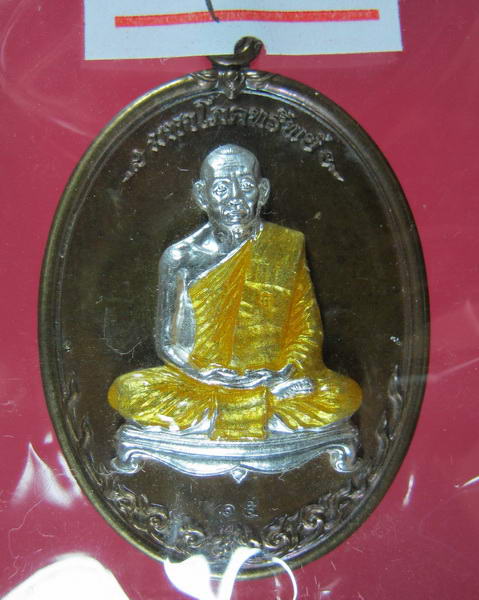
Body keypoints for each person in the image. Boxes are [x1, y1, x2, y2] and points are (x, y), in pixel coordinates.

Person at [108, 144, 362, 440]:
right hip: (205, 383)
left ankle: (223, 415)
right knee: (126, 391)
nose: (235, 199)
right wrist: (203, 374)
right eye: (221, 189)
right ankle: (261, 411)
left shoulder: (286, 245)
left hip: (272, 379)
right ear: (202, 195)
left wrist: (286, 371)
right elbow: (168, 343)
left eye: (246, 187)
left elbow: (307, 330)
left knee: (345, 393)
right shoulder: (181, 257)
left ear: (262, 192)